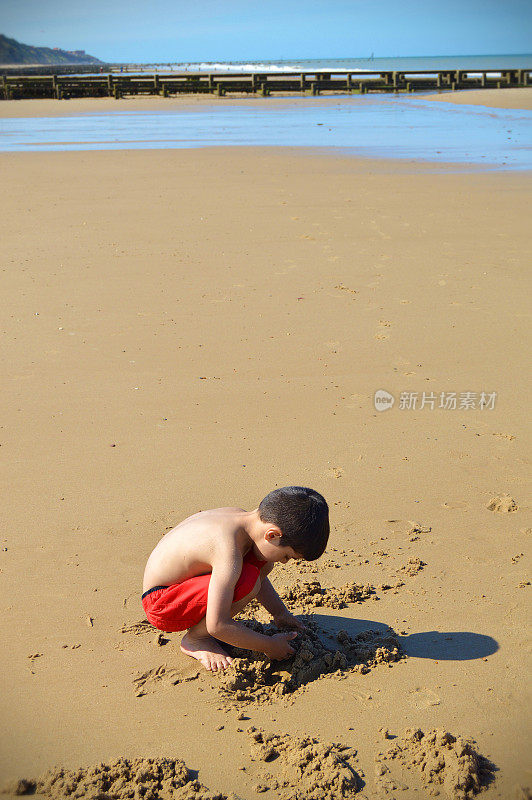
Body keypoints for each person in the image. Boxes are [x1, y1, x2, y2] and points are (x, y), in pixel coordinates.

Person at [142, 486, 329, 671]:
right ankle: (196, 639)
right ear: (272, 535)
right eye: (287, 556)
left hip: (181, 585)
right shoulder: (227, 548)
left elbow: (261, 572)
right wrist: (269, 645)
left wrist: (280, 613)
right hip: (161, 603)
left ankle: (199, 633)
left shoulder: (242, 519)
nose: (285, 562)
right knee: (247, 581)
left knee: (262, 563)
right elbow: (218, 625)